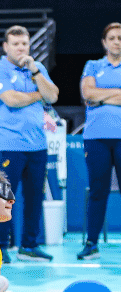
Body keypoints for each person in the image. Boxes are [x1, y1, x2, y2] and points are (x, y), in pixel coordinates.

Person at [0, 25, 59, 263]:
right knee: (3, 199)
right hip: (10, 145)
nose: (21, 48)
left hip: (37, 144)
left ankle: (29, 245)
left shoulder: (37, 69)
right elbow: (11, 99)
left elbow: (54, 95)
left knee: (34, 197)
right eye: (16, 44)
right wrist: (39, 95)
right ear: (6, 47)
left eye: (24, 44)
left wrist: (36, 72)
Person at [77, 22, 121, 261]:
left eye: (120, 38)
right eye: (112, 38)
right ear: (105, 43)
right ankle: (91, 243)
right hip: (95, 138)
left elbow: (96, 95)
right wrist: (115, 95)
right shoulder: (92, 65)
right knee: (98, 191)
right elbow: (88, 94)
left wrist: (101, 98)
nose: (117, 41)